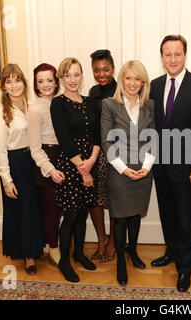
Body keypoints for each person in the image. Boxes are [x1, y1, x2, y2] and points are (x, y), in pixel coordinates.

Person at [150, 35, 191, 292]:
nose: (173, 59)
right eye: (168, 54)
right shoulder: (154, 85)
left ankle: (185, 267)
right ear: (162, 57)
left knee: (186, 218)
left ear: (185, 55)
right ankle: (172, 253)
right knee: (167, 214)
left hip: (189, 168)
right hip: (161, 166)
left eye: (177, 54)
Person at [101, 60, 155, 286]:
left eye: (137, 78)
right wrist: (124, 169)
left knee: (135, 216)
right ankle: (121, 260)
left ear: (143, 82)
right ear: (121, 79)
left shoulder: (149, 105)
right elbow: (106, 141)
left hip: (144, 170)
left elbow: (154, 138)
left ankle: (132, 251)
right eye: (128, 78)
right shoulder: (109, 104)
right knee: (121, 218)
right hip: (119, 171)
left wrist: (147, 167)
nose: (132, 83)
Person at [0, 63, 45, 275]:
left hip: (35, 160)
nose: (14, 85)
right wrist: (7, 179)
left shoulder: (33, 105)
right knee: (22, 211)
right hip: (16, 164)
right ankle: (28, 255)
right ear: (3, 87)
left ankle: (37, 246)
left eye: (17, 80)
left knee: (36, 207)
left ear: (24, 82)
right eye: (8, 81)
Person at [50, 57, 100, 282]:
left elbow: (97, 134)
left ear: (82, 76)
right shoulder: (58, 103)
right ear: (62, 77)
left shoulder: (90, 102)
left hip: (91, 160)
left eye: (76, 74)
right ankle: (64, 260)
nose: (72, 79)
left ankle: (79, 253)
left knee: (83, 213)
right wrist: (84, 169)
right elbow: (64, 139)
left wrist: (93, 160)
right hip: (72, 165)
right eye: (67, 75)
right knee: (70, 215)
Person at [27, 63, 65, 266]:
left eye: (49, 80)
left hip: (62, 157)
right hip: (45, 160)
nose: (46, 85)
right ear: (36, 85)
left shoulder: (60, 103)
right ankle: (54, 250)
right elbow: (34, 148)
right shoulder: (35, 109)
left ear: (56, 81)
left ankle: (50, 244)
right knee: (51, 209)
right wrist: (50, 169)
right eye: (40, 81)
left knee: (59, 209)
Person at [87, 49, 116, 262]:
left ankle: (114, 242)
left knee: (115, 200)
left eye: (105, 69)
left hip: (116, 152)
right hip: (95, 152)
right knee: (94, 199)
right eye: (96, 70)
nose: (101, 74)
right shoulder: (92, 91)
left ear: (113, 68)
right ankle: (101, 239)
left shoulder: (121, 89)